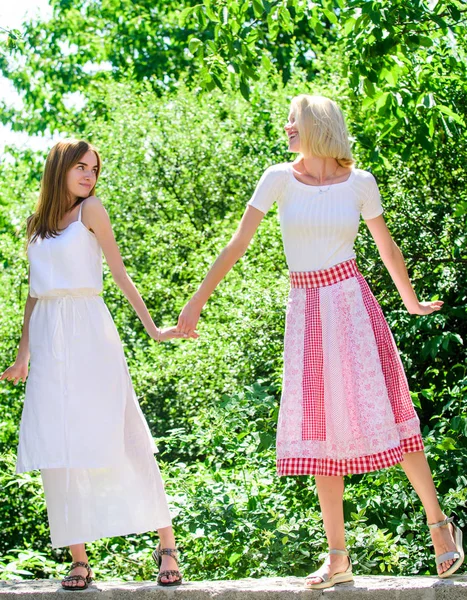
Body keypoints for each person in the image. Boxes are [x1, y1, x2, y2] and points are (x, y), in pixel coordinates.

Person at [176, 95, 464, 587]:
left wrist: (411, 301)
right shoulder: (278, 179)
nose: (287, 126)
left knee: (392, 413)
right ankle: (337, 556)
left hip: (352, 306)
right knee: (319, 429)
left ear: (319, 126)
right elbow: (237, 243)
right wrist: (196, 301)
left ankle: (441, 529)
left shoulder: (359, 183)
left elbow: (385, 245)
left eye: (295, 120)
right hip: (306, 311)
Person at [1, 140, 196, 589]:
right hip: (50, 338)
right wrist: (22, 354)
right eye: (81, 167)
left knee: (121, 429)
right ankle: (79, 558)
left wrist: (153, 328)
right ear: (60, 169)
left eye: (94, 168)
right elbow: (34, 294)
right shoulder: (36, 225)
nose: (89, 175)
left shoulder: (92, 211)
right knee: (58, 444)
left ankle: (166, 545)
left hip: (89, 328)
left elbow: (119, 272)